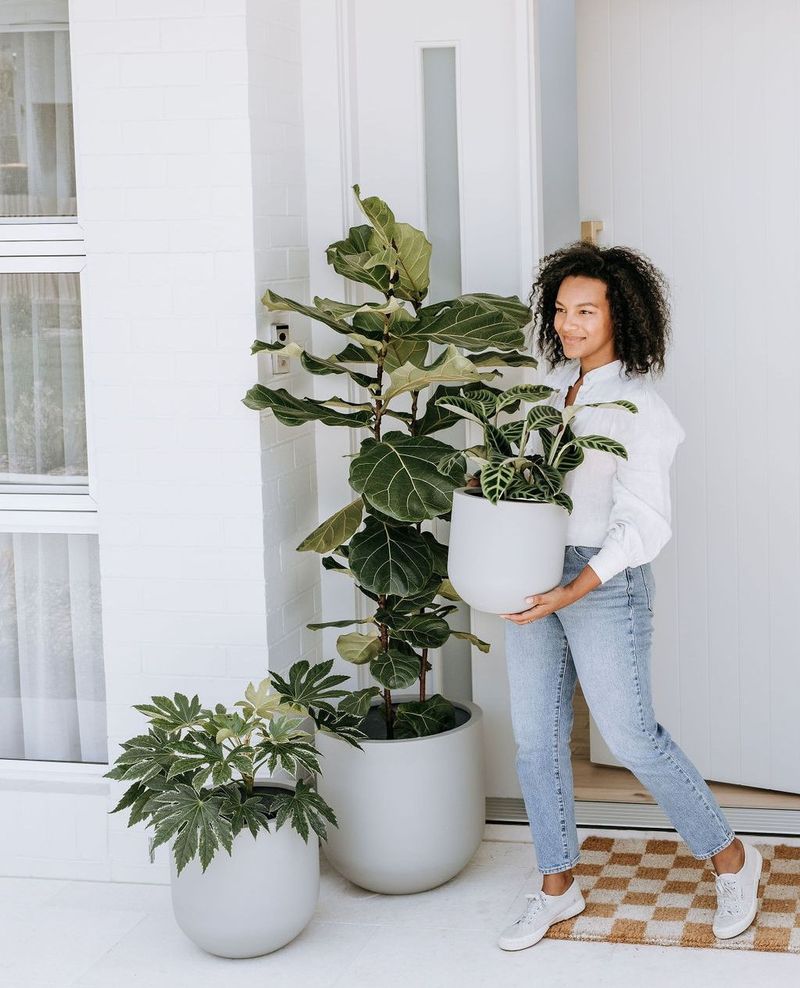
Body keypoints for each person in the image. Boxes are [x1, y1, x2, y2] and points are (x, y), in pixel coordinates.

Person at [494, 241, 762, 952]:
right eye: (560, 310)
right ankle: (557, 885)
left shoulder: (641, 405)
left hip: (603, 581)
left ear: (622, 316)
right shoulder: (548, 395)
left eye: (586, 310)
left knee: (632, 737)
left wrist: (572, 588)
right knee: (535, 741)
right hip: (531, 572)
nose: (569, 324)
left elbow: (645, 523)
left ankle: (732, 859)